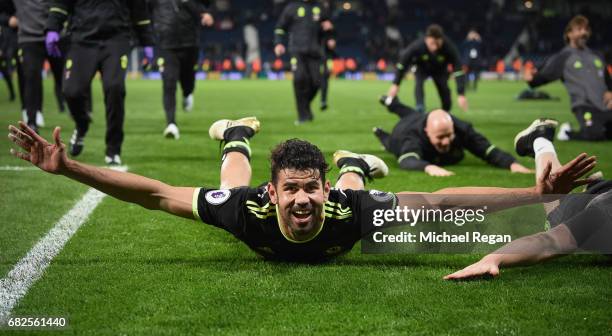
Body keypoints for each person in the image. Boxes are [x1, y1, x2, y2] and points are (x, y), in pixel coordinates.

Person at [7, 116, 596, 262]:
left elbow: (443, 201)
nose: (303, 201)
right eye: (291, 190)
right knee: (222, 192)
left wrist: (542, 196)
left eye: (310, 190)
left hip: (352, 195)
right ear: (274, 190)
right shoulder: (250, 210)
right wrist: (72, 168)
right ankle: (236, 135)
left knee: (356, 193)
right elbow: (157, 192)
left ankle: (352, 164)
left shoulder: (342, 208)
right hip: (243, 198)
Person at [445, 119, 610, 280]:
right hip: (593, 204)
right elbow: (550, 242)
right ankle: (540, 140)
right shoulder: (604, 211)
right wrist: (493, 259)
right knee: (556, 208)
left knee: (554, 189)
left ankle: (591, 183)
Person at [45, 0, 155, 165]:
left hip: (117, 39)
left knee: (115, 88)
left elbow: (140, 10)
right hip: (81, 40)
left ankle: (113, 149)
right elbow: (61, 3)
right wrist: (53, 27)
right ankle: (82, 124)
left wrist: (147, 41)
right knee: (71, 91)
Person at [374, 96, 532, 177]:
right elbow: (407, 160)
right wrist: (429, 167)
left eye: (449, 135)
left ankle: (391, 103)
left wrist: (511, 164)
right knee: (391, 143)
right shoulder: (411, 137)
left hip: (420, 117)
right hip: (401, 131)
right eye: (440, 137)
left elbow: (486, 149)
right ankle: (381, 130)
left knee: (413, 113)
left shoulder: (460, 128)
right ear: (427, 131)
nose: (446, 141)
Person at [524, 15, 612, 141]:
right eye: (579, 29)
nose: (584, 33)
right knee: (594, 135)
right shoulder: (563, 57)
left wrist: (611, 92)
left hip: (605, 105)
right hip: (584, 106)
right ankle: (567, 132)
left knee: (606, 135)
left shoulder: (597, 56)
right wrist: (531, 80)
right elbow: (542, 77)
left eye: (586, 29)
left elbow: (608, 80)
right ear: (569, 34)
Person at [148, 0, 214, 140]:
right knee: (169, 82)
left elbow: (206, 5)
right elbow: (143, 10)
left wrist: (206, 13)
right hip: (165, 44)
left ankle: (187, 93)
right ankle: (171, 124)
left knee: (188, 79)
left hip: (190, 43)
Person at [11, 0, 75, 133]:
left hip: (54, 37)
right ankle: (32, 121)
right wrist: (8, 19)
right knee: (31, 78)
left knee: (64, 78)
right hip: (29, 39)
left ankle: (75, 110)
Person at [274, 0, 334, 124]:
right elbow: (280, 28)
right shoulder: (291, 7)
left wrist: (330, 34)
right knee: (300, 79)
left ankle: (305, 107)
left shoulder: (320, 7)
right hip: (297, 51)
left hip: (315, 52)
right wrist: (279, 43)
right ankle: (303, 116)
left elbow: (328, 29)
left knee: (317, 82)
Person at [386, 24, 468, 114]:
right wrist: (396, 84)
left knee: (444, 89)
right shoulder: (417, 46)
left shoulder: (448, 47)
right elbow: (402, 63)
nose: (435, 47)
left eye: (437, 43)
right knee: (419, 83)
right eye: (432, 43)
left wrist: (461, 93)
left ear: (442, 39)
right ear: (426, 39)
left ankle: (446, 111)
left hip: (440, 69)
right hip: (421, 67)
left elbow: (458, 69)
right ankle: (420, 108)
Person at [0, 0, 16, 102]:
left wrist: (1, 50)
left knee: (6, 75)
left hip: (2, 55)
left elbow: (4, 40)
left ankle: (12, 94)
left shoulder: (3, 30)